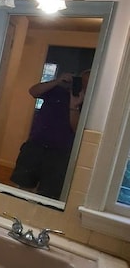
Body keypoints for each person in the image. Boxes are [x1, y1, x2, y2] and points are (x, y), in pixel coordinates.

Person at [10, 69, 90, 199]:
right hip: (35, 146)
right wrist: (57, 81)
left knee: (48, 195)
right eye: (83, 82)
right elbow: (33, 91)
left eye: (88, 83)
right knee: (22, 188)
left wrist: (74, 106)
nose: (84, 86)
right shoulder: (57, 90)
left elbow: (77, 129)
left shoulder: (89, 104)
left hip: (60, 154)